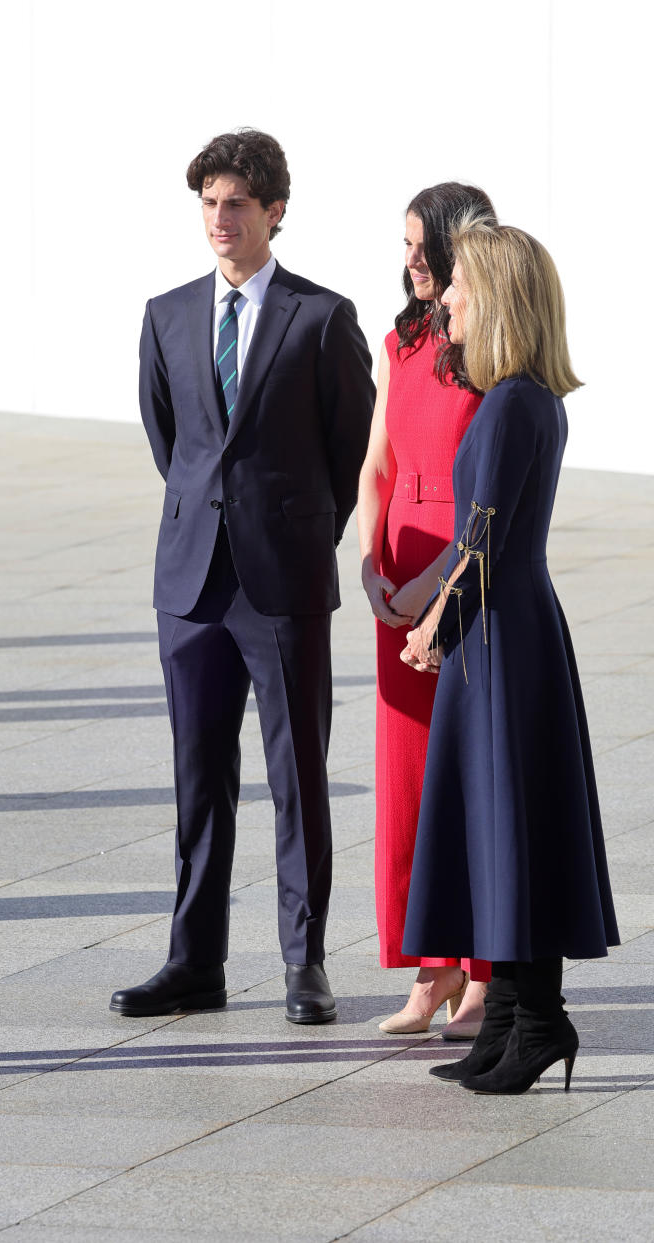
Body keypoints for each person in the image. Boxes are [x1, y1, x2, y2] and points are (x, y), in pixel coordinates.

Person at [110, 129, 375, 1024]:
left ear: (275, 212)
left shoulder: (323, 316)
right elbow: (172, 442)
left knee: (298, 774)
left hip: (283, 580)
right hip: (190, 586)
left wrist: (298, 532)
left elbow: (349, 454)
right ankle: (195, 962)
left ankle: (305, 962)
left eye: (236, 204)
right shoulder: (166, 312)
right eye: (209, 203)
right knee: (199, 779)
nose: (219, 219)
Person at [400, 217, 619, 1093]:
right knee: (500, 825)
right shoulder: (525, 400)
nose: (444, 297)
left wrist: (435, 629)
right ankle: (514, 1022)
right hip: (505, 630)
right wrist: (436, 620)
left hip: (500, 636)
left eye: (456, 285)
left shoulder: (510, 405)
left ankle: (536, 1023)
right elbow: (480, 543)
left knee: (510, 822)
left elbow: (481, 544)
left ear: (489, 296)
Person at [356, 184, 496, 1039]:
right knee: (406, 780)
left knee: (468, 776)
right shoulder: (401, 339)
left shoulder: (488, 344)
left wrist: (432, 590)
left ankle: (484, 971)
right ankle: (429, 967)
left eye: (424, 245)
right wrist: (372, 560)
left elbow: (487, 494)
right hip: (398, 564)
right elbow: (378, 460)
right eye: (404, 244)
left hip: (462, 569)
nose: (411, 259)